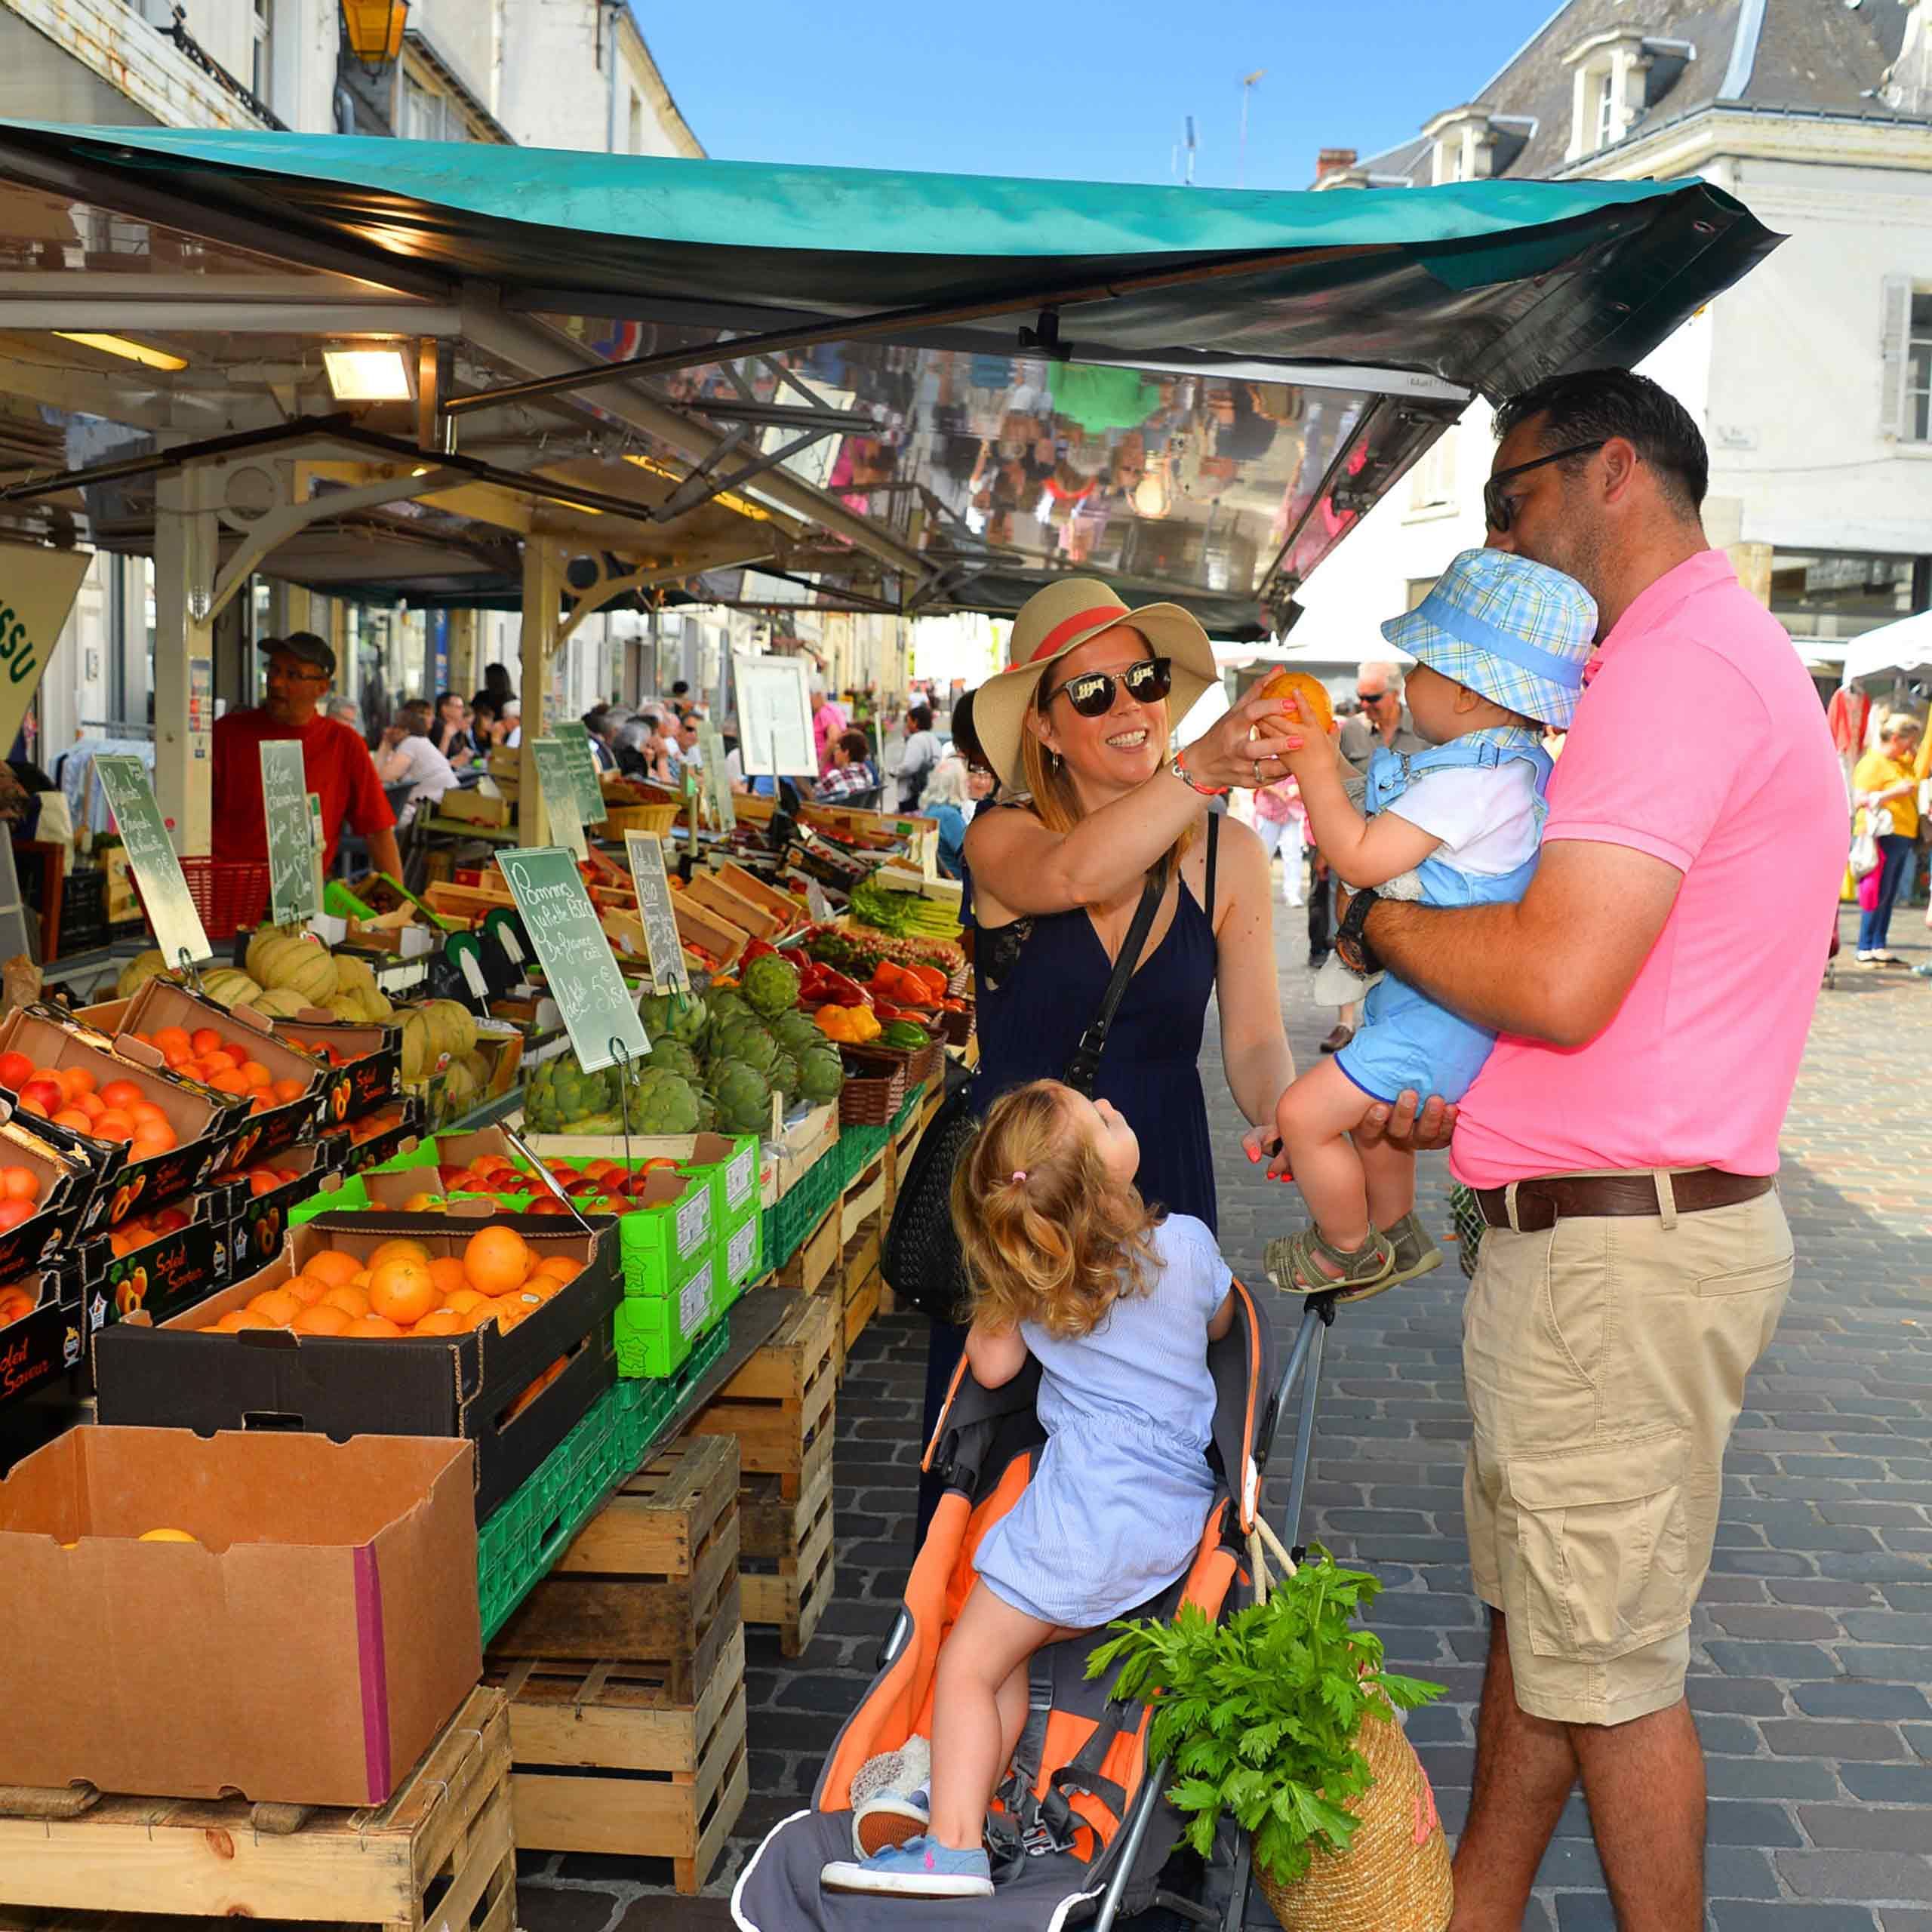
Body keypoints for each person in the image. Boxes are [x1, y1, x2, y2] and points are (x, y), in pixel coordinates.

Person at [1335, 368, 1842, 1932]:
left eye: (1507, 503)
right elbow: (1601, 1003)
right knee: (1550, 1633)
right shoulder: (1687, 655)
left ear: (1607, 469)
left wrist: (1372, 918)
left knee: (1607, 1670)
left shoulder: (1669, 667)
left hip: (1616, 1261)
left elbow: (1556, 973)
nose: (1497, 543)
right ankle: (1472, 1909)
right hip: (1609, 1231)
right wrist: (1466, 1109)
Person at [911, 577, 1297, 1539]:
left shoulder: (1230, 855)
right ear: (1042, 727)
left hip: (1158, 1193)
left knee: (1152, 1492)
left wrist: (1291, 1116)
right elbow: (1077, 873)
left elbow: (1251, 1039)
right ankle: (963, 1679)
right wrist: (1200, 768)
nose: (1131, 708)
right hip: (1022, 1200)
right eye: (1093, 693)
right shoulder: (1005, 836)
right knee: (993, 1484)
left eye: (1144, 681)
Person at [823, 1081, 1235, 1901]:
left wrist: (1011, 1269)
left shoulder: (1040, 1285)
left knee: (970, 1664)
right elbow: (1223, 1326)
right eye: (1105, 1119)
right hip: (1171, 1524)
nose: (1116, 1104)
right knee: (999, 1658)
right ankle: (970, 1804)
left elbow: (992, 1368)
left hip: (1079, 1529)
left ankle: (951, 1838)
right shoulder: (1184, 1244)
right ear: (1104, 1174)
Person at [1263, 549, 1596, 1297]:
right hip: (1436, 1007)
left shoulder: (1474, 782)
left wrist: (1311, 760)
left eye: (1421, 664)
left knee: (1304, 1111)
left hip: (1436, 1019)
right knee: (1375, 1120)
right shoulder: (1504, 767)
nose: (1407, 680)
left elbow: (1359, 855)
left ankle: (1346, 1246)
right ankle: (1395, 1234)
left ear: (1473, 694)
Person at [211, 633, 401, 878]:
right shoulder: (227, 733)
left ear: (322, 687)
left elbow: (378, 830)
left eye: (292, 675)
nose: (276, 683)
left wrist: (400, 905)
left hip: (302, 899)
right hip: (225, 894)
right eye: (274, 670)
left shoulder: (344, 744)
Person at [1851, 712, 1921, 965]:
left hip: (1903, 835)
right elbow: (1860, 799)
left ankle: (1878, 942)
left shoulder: (1902, 762)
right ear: (1894, 738)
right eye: (1908, 740)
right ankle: (1865, 944)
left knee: (1889, 892)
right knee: (1876, 891)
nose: (1911, 746)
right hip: (1882, 835)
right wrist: (1895, 792)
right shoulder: (1873, 762)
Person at [374, 698, 460, 826]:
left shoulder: (412, 743)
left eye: (396, 725)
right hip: (444, 809)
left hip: (430, 813)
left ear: (405, 728)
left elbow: (382, 776)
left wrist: (386, 743)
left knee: (376, 820)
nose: (392, 729)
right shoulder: (421, 741)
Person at [1250, 774, 1307, 906]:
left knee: (1293, 854)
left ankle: (1292, 893)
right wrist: (1279, 793)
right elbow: (1257, 778)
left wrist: (1298, 789)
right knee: (1264, 854)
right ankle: (1256, 890)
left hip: (1292, 810)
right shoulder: (1265, 754)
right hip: (1269, 810)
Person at [921, 755, 971, 879]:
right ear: (957, 785)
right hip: (955, 882)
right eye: (965, 780)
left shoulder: (932, 809)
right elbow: (970, 856)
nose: (968, 783)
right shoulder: (949, 816)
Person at [896, 703, 940, 811]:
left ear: (915, 722)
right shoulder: (934, 738)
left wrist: (895, 771)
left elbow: (909, 766)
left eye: (908, 720)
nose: (906, 724)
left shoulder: (916, 739)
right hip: (929, 791)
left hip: (911, 793)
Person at [815, 728, 879, 803]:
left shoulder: (836, 776)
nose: (834, 753)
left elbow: (814, 795)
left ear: (846, 752)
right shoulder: (867, 773)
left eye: (837, 749)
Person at [810, 685, 850, 777]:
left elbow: (834, 737)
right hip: (833, 769)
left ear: (818, 695)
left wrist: (821, 765)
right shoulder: (833, 709)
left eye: (809, 696)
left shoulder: (824, 712)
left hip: (827, 771)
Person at [429, 691, 476, 768]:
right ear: (444, 708)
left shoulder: (453, 726)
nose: (463, 711)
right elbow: (441, 759)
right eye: (459, 707)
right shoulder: (438, 726)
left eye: (462, 707)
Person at [469, 662, 513, 728]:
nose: (489, 682)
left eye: (494, 679)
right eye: (488, 678)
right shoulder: (481, 697)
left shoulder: (511, 701)